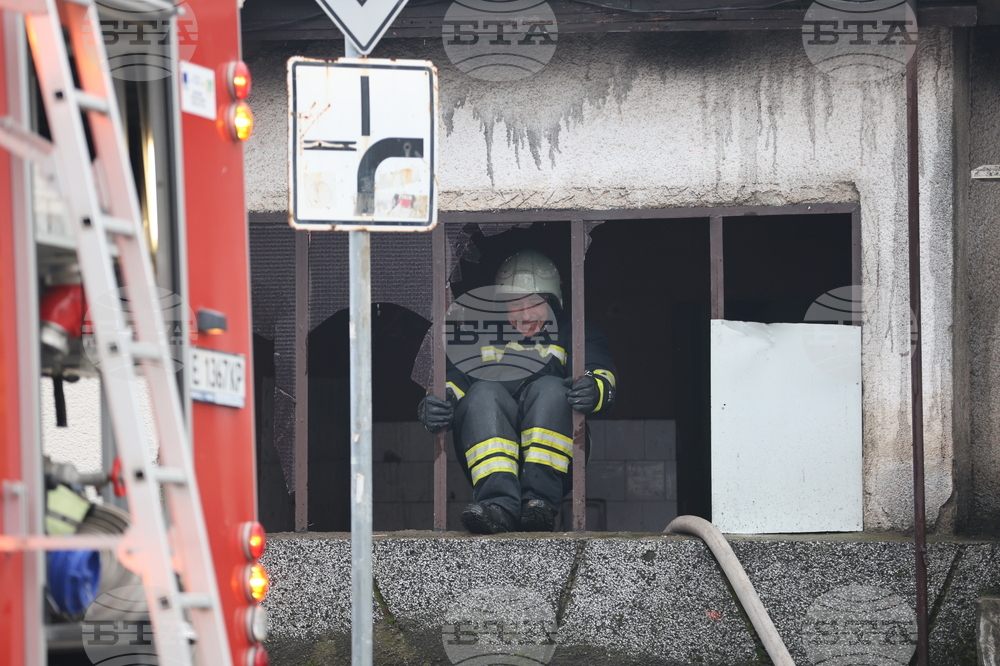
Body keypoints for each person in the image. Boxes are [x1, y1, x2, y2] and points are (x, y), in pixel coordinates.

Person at [417, 249, 617, 533]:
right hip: (490, 459)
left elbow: (601, 373)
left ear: (553, 301)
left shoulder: (577, 333)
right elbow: (452, 380)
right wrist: (436, 403)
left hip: (561, 460)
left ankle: (539, 505)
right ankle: (497, 507)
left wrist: (594, 389)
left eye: (535, 304)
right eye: (515, 304)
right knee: (483, 393)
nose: (525, 315)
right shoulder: (479, 337)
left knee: (550, 388)